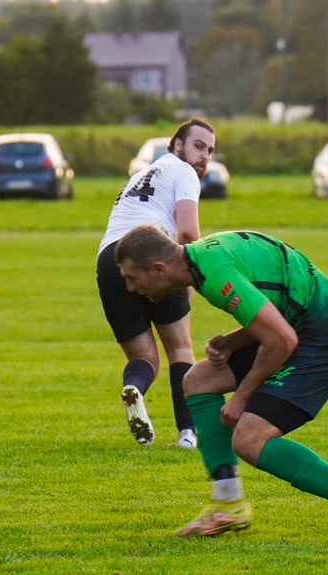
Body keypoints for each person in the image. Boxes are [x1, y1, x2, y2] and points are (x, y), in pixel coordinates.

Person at [114, 225, 328, 540]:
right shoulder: (203, 259)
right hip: (302, 331)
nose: (129, 287)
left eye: (131, 277)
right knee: (199, 379)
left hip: (326, 341)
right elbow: (280, 309)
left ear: (158, 269)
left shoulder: (214, 272)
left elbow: (280, 338)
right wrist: (234, 342)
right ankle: (227, 502)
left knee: (249, 440)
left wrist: (241, 397)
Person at [96, 118, 216, 448]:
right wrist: (191, 273)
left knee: (145, 360)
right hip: (154, 253)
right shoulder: (184, 171)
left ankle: (135, 389)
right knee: (179, 346)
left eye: (210, 150)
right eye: (198, 145)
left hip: (110, 258)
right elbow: (189, 232)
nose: (205, 155)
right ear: (177, 145)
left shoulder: (140, 175)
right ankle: (187, 434)